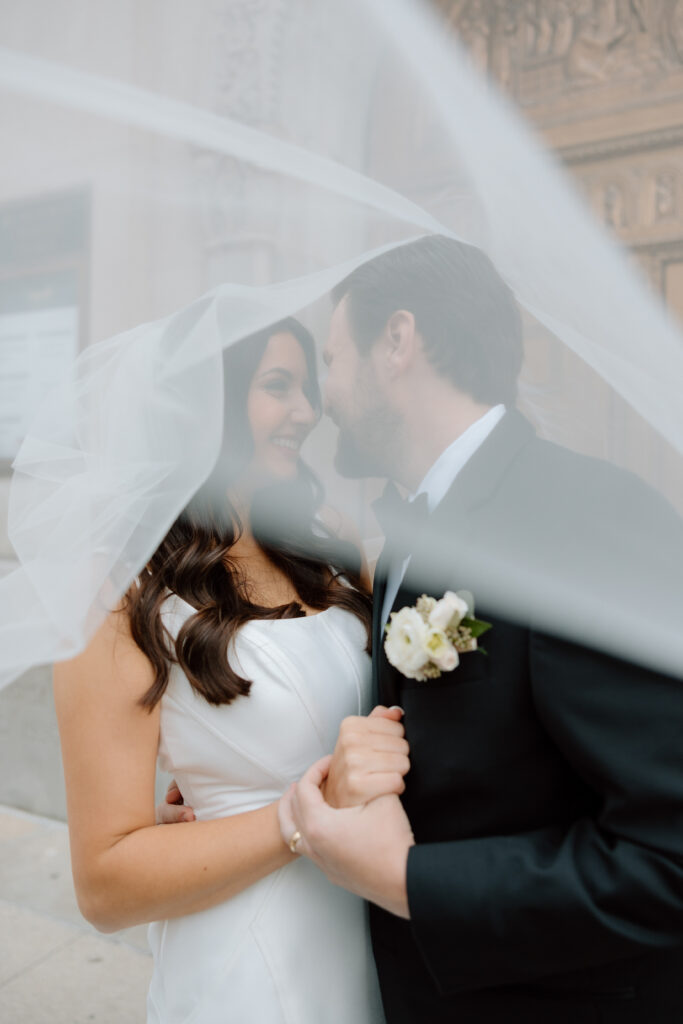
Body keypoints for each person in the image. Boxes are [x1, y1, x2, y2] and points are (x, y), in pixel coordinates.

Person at [278, 236, 683, 1023]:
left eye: (331, 359)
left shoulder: (588, 516)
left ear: (397, 341)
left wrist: (406, 880)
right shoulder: (406, 532)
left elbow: (667, 852)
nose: (323, 396)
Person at [53, 317, 409, 1024]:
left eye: (307, 387)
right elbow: (103, 884)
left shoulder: (330, 543)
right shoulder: (122, 596)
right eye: (277, 386)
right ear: (201, 406)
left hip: (378, 938)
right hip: (247, 969)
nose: (306, 412)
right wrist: (298, 815)